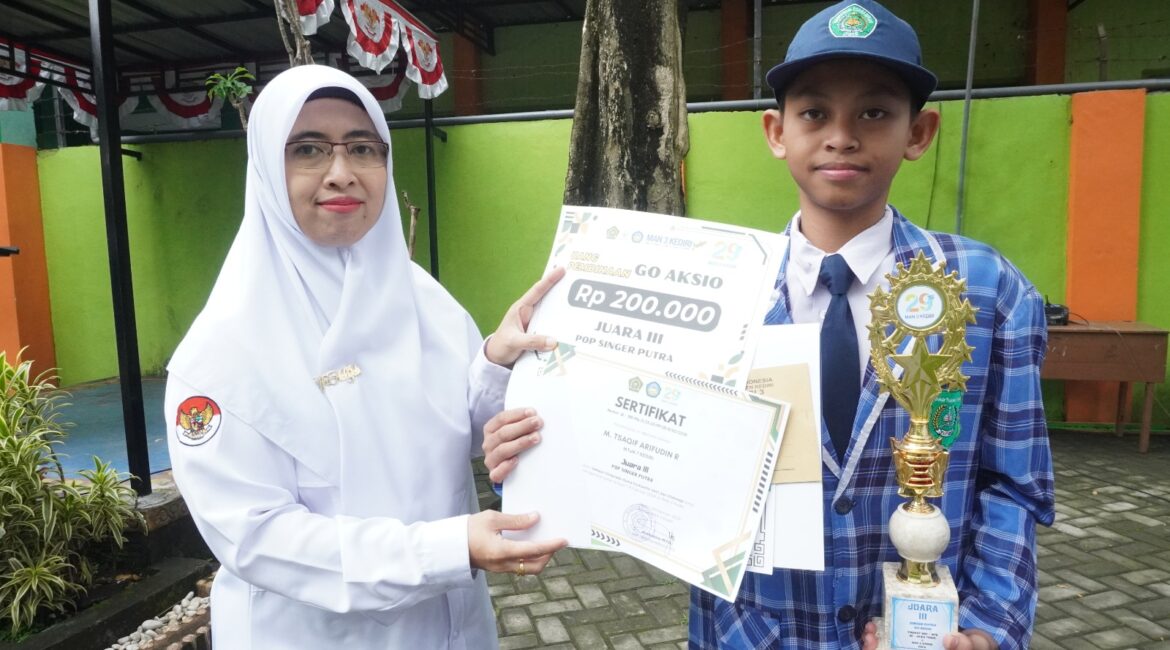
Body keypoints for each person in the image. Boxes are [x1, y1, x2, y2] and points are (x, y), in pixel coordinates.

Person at [485, 2, 1054, 649]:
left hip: (921, 636)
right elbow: (638, 430)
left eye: (874, 112)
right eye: (814, 113)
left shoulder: (983, 290)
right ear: (776, 131)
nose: (842, 136)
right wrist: (538, 451)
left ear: (918, 132)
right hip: (751, 631)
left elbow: (1014, 484)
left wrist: (987, 630)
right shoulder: (713, 293)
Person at [165, 64, 566, 649]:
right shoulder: (223, 350)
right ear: (267, 169)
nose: (341, 173)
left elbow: (463, 422)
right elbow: (254, 538)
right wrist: (445, 549)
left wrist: (499, 363)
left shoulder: (422, 299)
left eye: (362, 148)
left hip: (452, 626)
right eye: (307, 150)